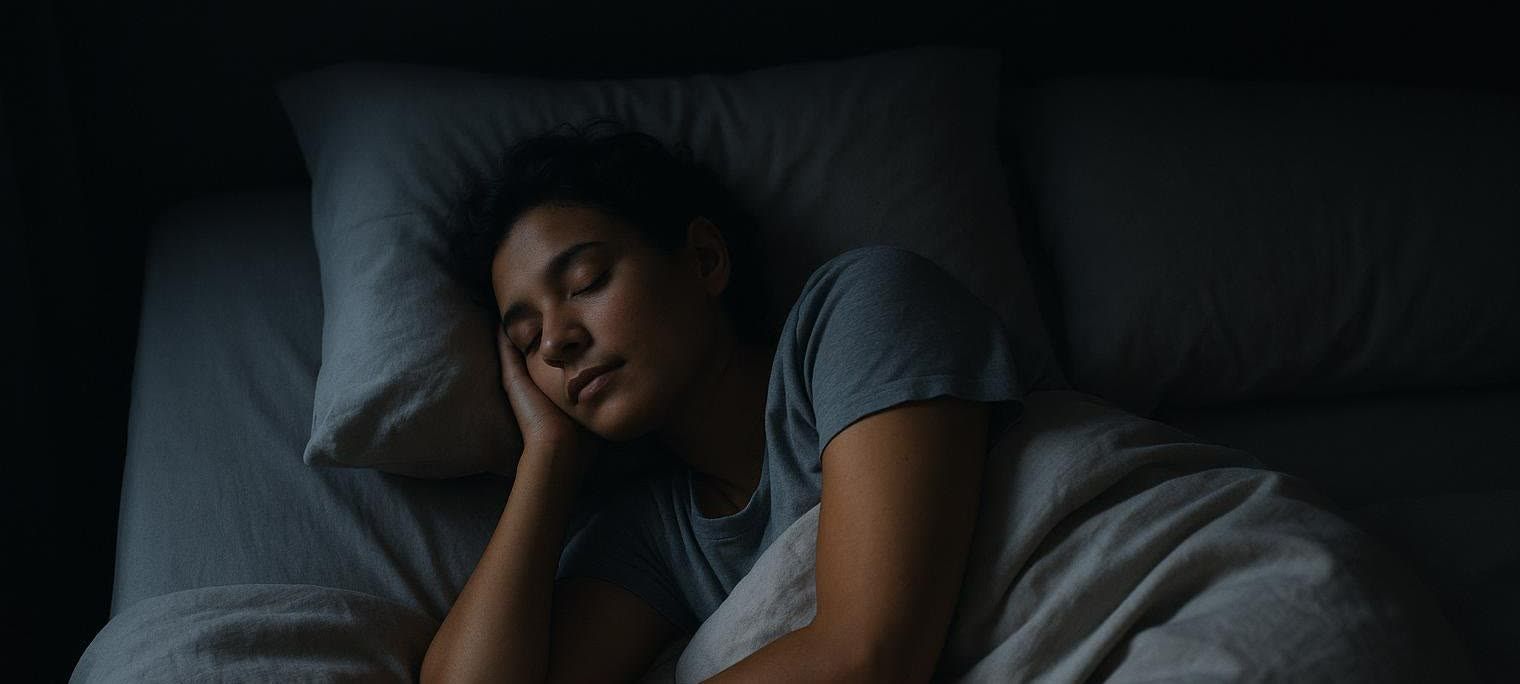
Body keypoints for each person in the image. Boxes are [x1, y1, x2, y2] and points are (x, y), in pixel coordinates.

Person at [421, 119, 1026, 682]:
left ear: (705, 260)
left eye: (586, 283)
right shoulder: (655, 536)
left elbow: (868, 653)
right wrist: (547, 461)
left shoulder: (861, 307)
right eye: (527, 339)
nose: (555, 341)